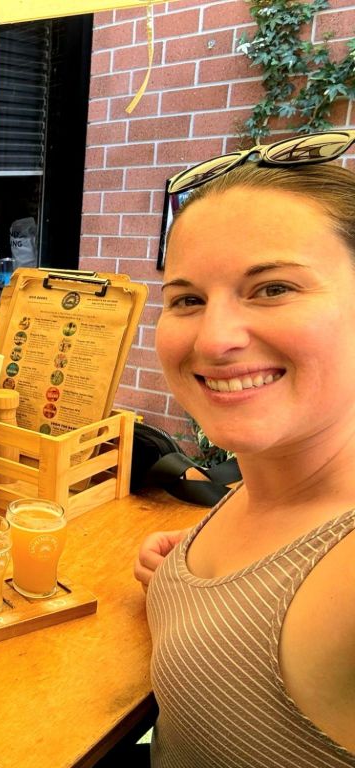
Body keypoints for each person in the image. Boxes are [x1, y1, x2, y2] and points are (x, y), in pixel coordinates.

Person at [134, 134, 355, 767]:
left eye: (273, 288)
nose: (214, 339)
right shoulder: (259, 489)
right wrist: (181, 580)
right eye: (188, 299)